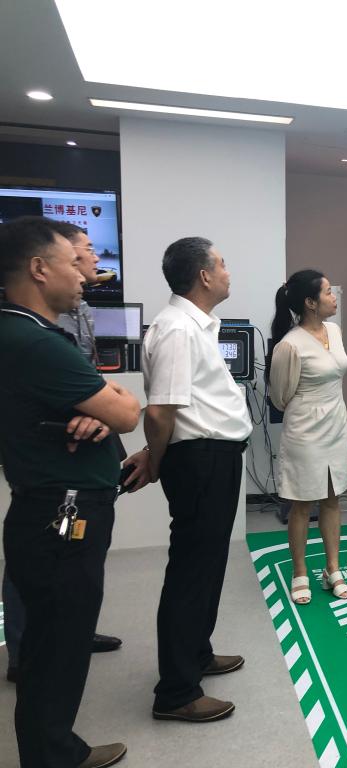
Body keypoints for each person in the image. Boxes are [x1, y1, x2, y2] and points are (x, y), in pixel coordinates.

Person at [0, 216, 140, 768]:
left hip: (45, 509)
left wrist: (98, 406)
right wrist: (109, 404)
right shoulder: (34, 341)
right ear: (39, 268)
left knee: (50, 641)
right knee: (58, 646)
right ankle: (53, 755)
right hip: (62, 515)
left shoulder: (22, 335)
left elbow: (106, 407)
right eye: (72, 262)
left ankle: (52, 748)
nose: (84, 274)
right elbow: (127, 412)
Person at [142, 237, 251, 723]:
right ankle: (176, 692)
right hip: (199, 459)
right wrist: (155, 459)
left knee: (207, 565)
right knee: (191, 570)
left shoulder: (197, 325)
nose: (228, 272)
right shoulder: (177, 329)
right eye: (222, 264)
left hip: (214, 456)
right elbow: (160, 412)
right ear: (204, 276)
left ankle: (197, 654)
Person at [268, 270, 347, 605]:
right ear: (310, 302)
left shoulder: (335, 330)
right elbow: (279, 397)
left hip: (335, 423)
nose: (334, 297)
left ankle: (333, 568)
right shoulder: (290, 344)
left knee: (332, 498)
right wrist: (311, 407)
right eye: (328, 292)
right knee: (302, 502)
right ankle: (300, 571)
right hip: (304, 428)